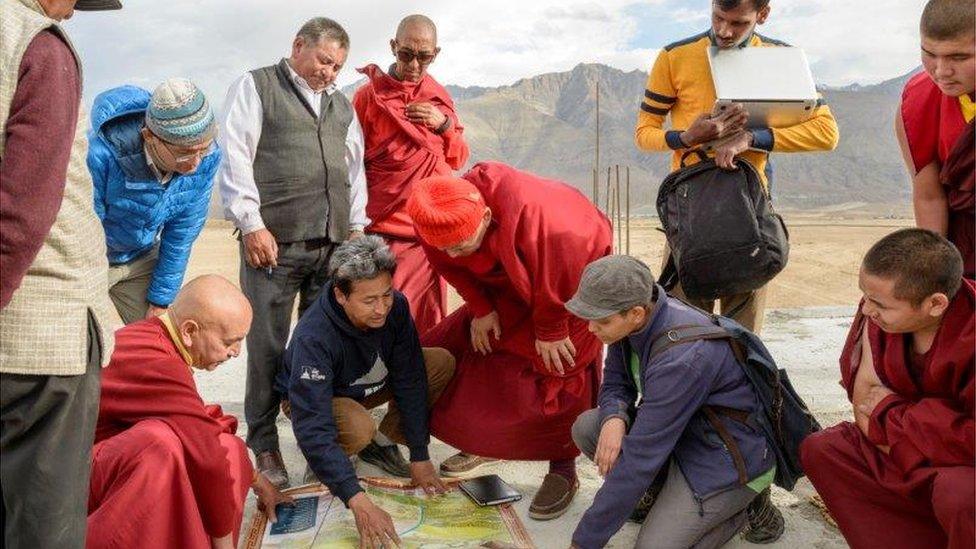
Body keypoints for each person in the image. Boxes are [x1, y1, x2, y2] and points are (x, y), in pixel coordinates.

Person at [406, 162, 612, 520]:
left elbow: (566, 266)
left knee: (559, 364)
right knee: (478, 349)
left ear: (485, 216)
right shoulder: (439, 216)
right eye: (446, 247)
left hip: (570, 282)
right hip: (507, 278)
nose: (453, 254)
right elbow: (446, 261)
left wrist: (551, 327)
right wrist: (481, 306)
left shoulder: (545, 218)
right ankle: (487, 443)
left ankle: (563, 467)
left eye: (460, 246)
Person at [217, 16, 370, 487]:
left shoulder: (341, 106)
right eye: (324, 60)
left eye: (338, 66)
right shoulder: (257, 86)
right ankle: (263, 444)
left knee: (321, 347)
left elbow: (354, 169)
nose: (330, 72)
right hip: (272, 246)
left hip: (330, 248)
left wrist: (357, 225)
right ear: (298, 46)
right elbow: (236, 153)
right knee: (266, 346)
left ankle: (316, 441)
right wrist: (252, 224)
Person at [635, 0, 839, 334]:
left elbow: (826, 133)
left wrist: (750, 139)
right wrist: (686, 137)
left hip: (750, 210)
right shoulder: (675, 56)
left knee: (743, 339)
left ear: (763, 14)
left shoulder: (782, 60)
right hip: (690, 212)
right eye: (718, 17)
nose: (725, 31)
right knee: (682, 332)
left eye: (738, 23)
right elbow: (644, 133)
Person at [0, 0, 121, 547]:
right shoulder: (40, 46)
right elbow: (23, 211)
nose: (72, 12)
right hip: (39, 337)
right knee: (44, 523)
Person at [565, 255, 778, 549]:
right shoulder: (631, 322)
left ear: (637, 313)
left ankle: (745, 509)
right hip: (680, 436)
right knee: (590, 427)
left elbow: (640, 458)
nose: (591, 328)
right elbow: (616, 382)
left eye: (601, 320)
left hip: (725, 457)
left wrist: (584, 543)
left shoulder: (683, 358)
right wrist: (615, 416)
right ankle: (661, 494)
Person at [87, 275, 292, 549]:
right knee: (161, 443)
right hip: (69, 479)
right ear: (189, 331)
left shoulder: (154, 338)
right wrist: (224, 544)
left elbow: (202, 426)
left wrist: (258, 480)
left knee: (227, 447)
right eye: (230, 341)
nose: (236, 352)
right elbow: (207, 457)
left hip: (98, 462)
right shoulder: (160, 362)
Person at [800, 229, 974, 549]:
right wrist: (917, 432)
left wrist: (894, 412)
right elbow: (864, 405)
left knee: (961, 494)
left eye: (878, 303)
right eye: (864, 296)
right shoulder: (881, 317)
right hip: (910, 452)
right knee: (824, 448)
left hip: (957, 468)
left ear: (935, 304)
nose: (866, 309)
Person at [278, 236, 452, 546]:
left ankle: (382, 441)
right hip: (314, 399)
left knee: (438, 363)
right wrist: (355, 497)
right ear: (340, 295)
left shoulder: (395, 308)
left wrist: (420, 454)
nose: (381, 308)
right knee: (357, 427)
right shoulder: (314, 336)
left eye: (386, 294)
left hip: (367, 386)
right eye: (369, 300)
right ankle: (331, 461)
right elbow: (312, 421)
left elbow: (410, 377)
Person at [353, 14, 469, 335]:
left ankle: (423, 384)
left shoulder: (438, 97)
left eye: (424, 57)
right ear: (393, 47)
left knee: (425, 327)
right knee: (379, 322)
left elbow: (458, 156)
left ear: (436, 54)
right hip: (381, 232)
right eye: (406, 54)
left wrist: (443, 124)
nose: (414, 65)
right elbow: (351, 165)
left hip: (426, 237)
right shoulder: (368, 98)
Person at [88, 77, 221, 324]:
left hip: (142, 256)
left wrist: (161, 300)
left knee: (158, 339)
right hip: (92, 259)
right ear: (149, 136)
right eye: (184, 153)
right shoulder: (100, 156)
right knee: (84, 345)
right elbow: (83, 232)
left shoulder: (206, 159)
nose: (194, 165)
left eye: (202, 150)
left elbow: (182, 232)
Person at [896, 0, 975, 278]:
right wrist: (936, 273)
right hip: (964, 253)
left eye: (959, 57)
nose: (941, 71)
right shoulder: (920, 100)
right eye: (929, 53)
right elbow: (930, 196)